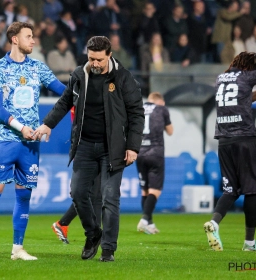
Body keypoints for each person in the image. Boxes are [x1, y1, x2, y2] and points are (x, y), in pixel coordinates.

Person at [35, 36, 144, 262]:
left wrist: (133, 146)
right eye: (91, 58)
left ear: (109, 56)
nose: (94, 63)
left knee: (110, 198)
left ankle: (108, 250)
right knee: (77, 193)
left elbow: (136, 114)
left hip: (112, 149)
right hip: (84, 146)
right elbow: (65, 103)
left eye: (99, 60)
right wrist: (47, 124)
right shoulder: (78, 76)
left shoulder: (123, 78)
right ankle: (93, 233)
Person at [0, 21, 66, 262]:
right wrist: (21, 127)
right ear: (15, 39)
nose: (33, 41)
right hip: (5, 140)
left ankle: (18, 248)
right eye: (29, 36)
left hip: (31, 144)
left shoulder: (38, 68)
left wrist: (84, 89)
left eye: (33, 36)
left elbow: (65, 92)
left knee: (24, 197)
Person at [203, 51, 256, 252]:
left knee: (230, 189)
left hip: (224, 141)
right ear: (249, 66)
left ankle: (214, 223)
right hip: (244, 139)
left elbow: (247, 98)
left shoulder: (221, 78)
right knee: (251, 189)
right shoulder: (247, 75)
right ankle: (249, 243)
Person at [136, 92, 173, 234]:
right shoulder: (162, 109)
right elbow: (170, 131)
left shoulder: (138, 108)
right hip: (155, 153)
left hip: (139, 153)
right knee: (155, 190)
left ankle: (149, 223)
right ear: (160, 101)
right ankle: (144, 220)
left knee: (145, 190)